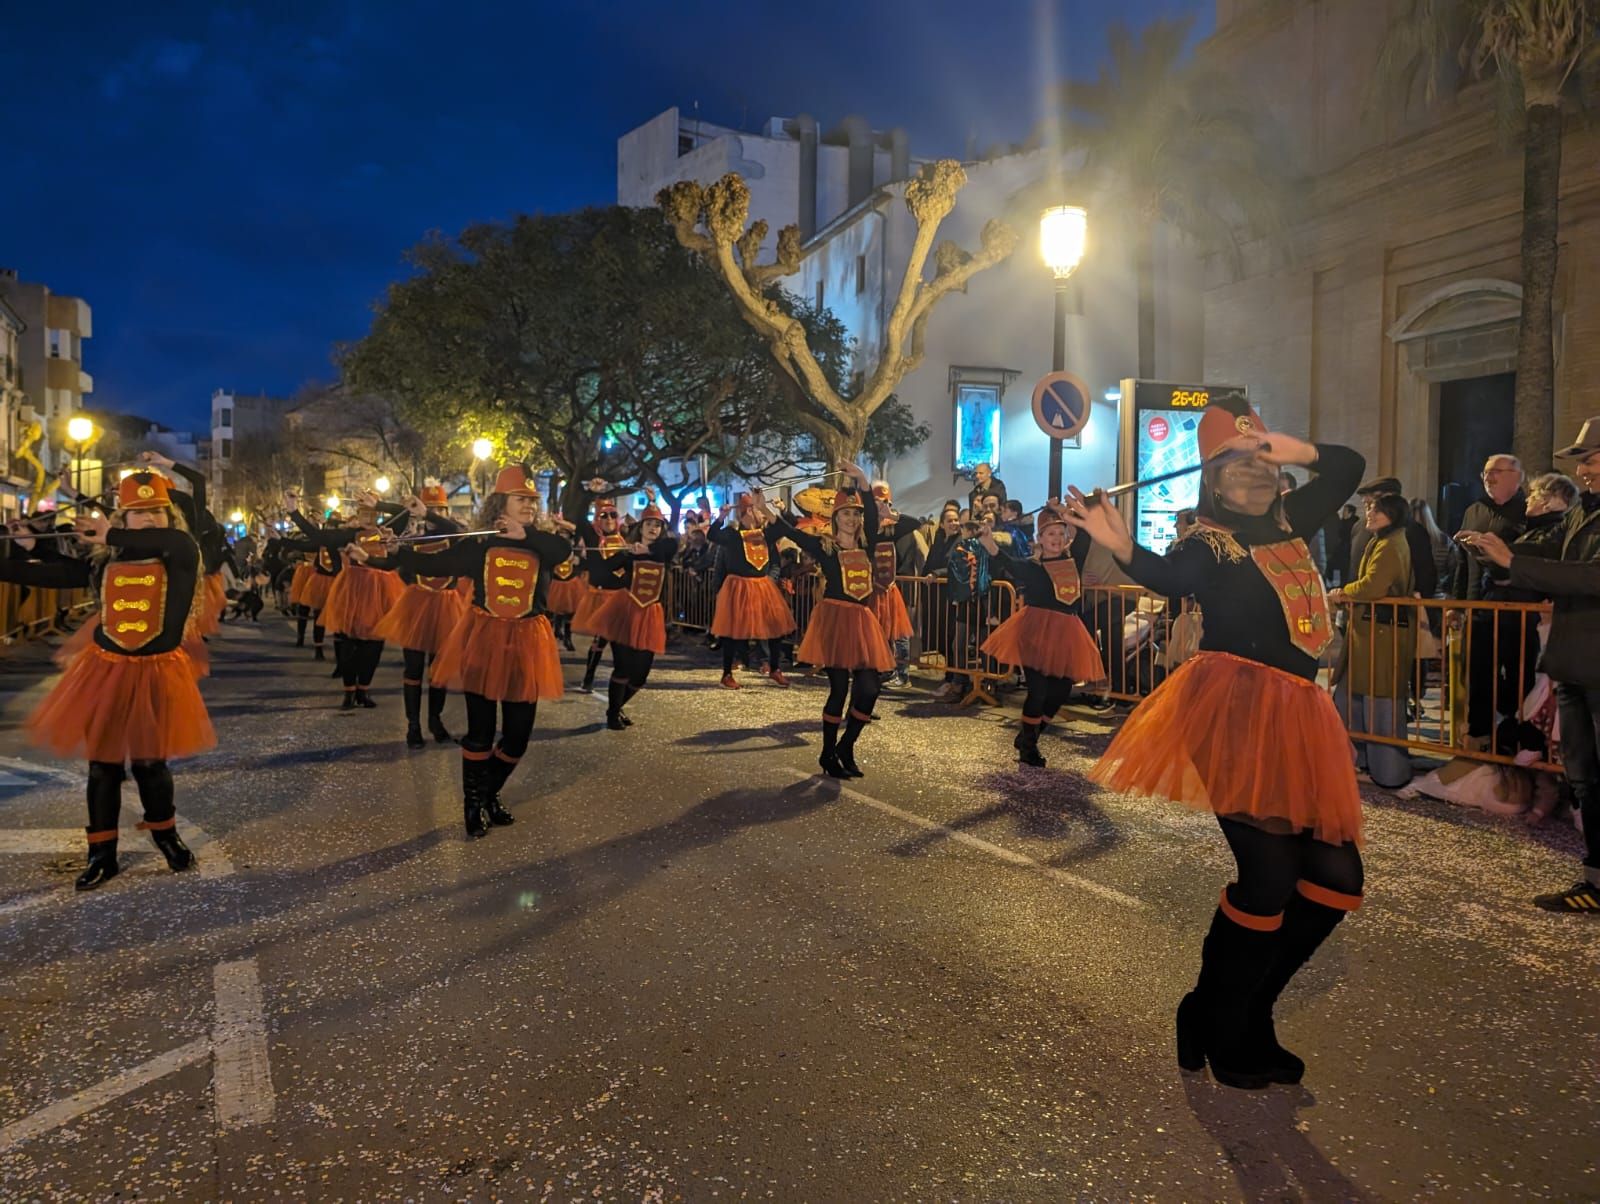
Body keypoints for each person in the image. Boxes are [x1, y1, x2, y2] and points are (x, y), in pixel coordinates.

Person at [1064, 393, 1366, 1089]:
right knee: (1268, 880)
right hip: (1232, 713)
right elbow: (1171, 578)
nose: (1253, 475)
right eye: (1236, 465)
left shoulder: (1295, 519)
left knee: (1337, 880)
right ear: (1210, 478)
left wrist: (1295, 446)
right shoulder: (1206, 541)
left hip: (1300, 718)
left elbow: (1347, 469)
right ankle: (1224, 1021)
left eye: (1262, 462)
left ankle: (1237, 1010)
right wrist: (1117, 543)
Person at [0, 471, 214, 889]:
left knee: (151, 764)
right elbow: (57, 574)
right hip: (105, 669)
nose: (149, 520)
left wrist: (111, 532)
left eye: (156, 511)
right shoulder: (107, 559)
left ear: (170, 516)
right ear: (124, 517)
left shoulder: (181, 550)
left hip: (157, 671)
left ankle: (165, 835)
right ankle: (101, 853)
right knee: (103, 767)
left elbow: (167, 542)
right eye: (138, 513)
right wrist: (23, 551)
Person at [1459, 419, 1600, 913]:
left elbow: (1590, 576)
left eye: (1590, 458)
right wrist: (1501, 551)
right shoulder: (1585, 511)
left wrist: (1513, 561)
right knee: (1584, 776)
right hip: (1573, 664)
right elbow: (1551, 546)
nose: (1582, 469)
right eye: (1581, 461)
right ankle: (1595, 880)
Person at [394, 466, 573, 838]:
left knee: (518, 735)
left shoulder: (542, 541)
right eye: (521, 499)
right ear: (500, 503)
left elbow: (563, 550)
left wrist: (526, 534)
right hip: (484, 638)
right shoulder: (480, 543)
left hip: (527, 643)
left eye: (532, 500)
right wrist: (399, 552)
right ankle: (473, 806)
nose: (528, 504)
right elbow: (437, 562)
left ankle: (489, 793)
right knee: (480, 731)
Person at [766, 463, 893, 778]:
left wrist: (862, 480)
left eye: (856, 514)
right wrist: (768, 511)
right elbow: (792, 532)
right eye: (847, 514)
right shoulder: (825, 547)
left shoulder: (867, 543)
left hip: (863, 623)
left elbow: (876, 518)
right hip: (835, 621)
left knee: (869, 688)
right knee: (838, 689)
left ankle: (846, 747)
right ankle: (827, 753)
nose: (853, 519)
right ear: (836, 518)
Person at [979, 505, 1103, 767]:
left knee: (1059, 692)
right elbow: (1006, 562)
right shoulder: (1032, 568)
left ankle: (1029, 733)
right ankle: (1029, 747)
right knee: (1038, 691)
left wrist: (1068, 513)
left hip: (1068, 635)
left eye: (1060, 533)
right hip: (1035, 633)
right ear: (1039, 539)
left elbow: (1085, 537)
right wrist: (988, 541)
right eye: (1050, 534)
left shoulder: (1074, 561)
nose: (1056, 538)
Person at [287, 493, 406, 710]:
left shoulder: (388, 531)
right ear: (357, 515)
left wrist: (379, 503)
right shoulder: (349, 535)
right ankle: (349, 691)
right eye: (363, 512)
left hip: (379, 592)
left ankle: (364, 690)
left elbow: (402, 513)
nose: (368, 517)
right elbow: (317, 536)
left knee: (374, 644)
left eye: (372, 513)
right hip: (352, 591)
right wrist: (294, 511)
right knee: (349, 644)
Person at [1451, 455, 1536, 751]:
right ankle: (1479, 734)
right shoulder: (1474, 510)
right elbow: (1461, 563)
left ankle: (1517, 737)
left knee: (1518, 674)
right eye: (1485, 472)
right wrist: (1458, 603)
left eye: (1497, 472)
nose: (1489, 477)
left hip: (1519, 609)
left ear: (1518, 476)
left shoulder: (1530, 512)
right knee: (1479, 673)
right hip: (1479, 608)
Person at [1331, 493, 1416, 789]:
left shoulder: (1391, 544)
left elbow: (1373, 585)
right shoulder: (1382, 541)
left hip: (1380, 634)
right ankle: (1362, 761)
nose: (1369, 513)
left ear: (1392, 514)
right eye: (1369, 508)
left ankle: (1387, 770)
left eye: (1376, 510)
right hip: (1371, 633)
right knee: (1357, 696)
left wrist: (1343, 591)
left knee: (1379, 700)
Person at [372, 484, 468, 747]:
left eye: (439, 509)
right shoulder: (411, 538)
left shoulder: (456, 535)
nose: (434, 513)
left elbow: (453, 530)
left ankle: (435, 721)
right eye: (430, 508)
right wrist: (376, 554)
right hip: (417, 607)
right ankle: (413, 726)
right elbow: (393, 563)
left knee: (439, 670)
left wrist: (429, 514)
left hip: (447, 608)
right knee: (413, 669)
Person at [580, 501, 679, 729]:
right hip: (625, 612)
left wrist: (648, 550)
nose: (653, 528)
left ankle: (615, 707)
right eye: (649, 524)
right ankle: (613, 715)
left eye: (657, 525)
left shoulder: (663, 550)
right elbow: (602, 572)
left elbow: (672, 546)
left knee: (641, 676)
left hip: (650, 615)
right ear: (641, 527)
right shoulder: (628, 552)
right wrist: (621, 581)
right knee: (623, 667)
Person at [706, 493, 794, 688]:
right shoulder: (732, 535)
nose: (759, 515)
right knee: (732, 631)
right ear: (746, 513)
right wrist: (720, 517)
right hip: (738, 586)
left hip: (762, 585)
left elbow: (786, 526)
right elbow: (712, 535)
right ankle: (727, 673)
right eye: (754, 510)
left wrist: (773, 509)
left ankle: (774, 668)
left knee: (775, 627)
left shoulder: (765, 535)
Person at [572, 489, 630, 693]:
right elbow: (579, 517)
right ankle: (589, 678)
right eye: (603, 515)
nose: (609, 519)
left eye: (613, 514)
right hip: (601, 596)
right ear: (597, 519)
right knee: (601, 640)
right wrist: (588, 494)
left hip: (620, 598)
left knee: (619, 643)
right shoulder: (592, 538)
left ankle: (620, 685)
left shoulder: (625, 538)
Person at [868, 482, 918, 688]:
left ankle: (902, 673)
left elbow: (914, 523)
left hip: (894, 587)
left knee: (898, 633)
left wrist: (893, 514)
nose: (881, 506)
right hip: (873, 589)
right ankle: (883, 669)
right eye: (877, 503)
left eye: (884, 502)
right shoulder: (868, 529)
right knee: (877, 632)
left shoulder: (894, 529)